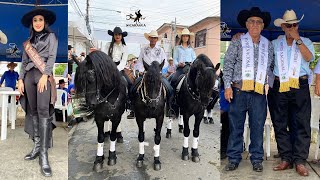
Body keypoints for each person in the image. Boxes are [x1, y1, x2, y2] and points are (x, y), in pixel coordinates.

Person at [223, 7, 273, 172]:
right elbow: (228, 65)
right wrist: (227, 86)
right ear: (246, 24)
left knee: (257, 127)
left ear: (263, 25)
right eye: (252, 21)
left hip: (258, 93)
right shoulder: (237, 41)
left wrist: (270, 85)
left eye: (258, 22)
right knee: (236, 126)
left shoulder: (268, 45)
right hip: (238, 90)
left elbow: (271, 68)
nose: (255, 24)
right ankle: (234, 157)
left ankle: (257, 158)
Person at [270, 10, 315, 177]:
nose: (291, 28)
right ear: (283, 26)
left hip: (300, 85)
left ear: (298, 25)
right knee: (280, 122)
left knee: (302, 122)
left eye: (294, 25)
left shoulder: (307, 41)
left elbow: (309, 58)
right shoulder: (275, 44)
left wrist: (297, 39)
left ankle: (300, 161)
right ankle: (286, 158)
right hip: (279, 85)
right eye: (288, 25)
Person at [18, 7, 58, 177]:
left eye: (40, 19)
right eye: (35, 20)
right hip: (28, 77)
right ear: (32, 24)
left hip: (43, 77)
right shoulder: (28, 42)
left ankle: (44, 154)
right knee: (33, 111)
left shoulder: (51, 37)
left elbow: (52, 57)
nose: (38, 23)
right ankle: (36, 146)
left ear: (45, 22)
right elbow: (24, 61)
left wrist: (46, 74)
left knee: (43, 111)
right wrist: (20, 78)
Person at [134, 30, 173, 116]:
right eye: (151, 37)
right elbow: (140, 61)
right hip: (146, 73)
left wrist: (162, 71)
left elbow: (165, 62)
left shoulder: (161, 50)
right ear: (149, 38)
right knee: (134, 88)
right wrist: (140, 70)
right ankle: (133, 109)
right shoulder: (144, 49)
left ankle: (170, 108)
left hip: (158, 74)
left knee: (170, 89)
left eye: (155, 38)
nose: (153, 39)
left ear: (156, 39)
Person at [103, 26, 129, 142]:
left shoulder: (124, 47)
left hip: (119, 70)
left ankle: (129, 102)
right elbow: (104, 58)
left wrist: (116, 70)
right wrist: (110, 69)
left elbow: (123, 61)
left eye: (119, 34)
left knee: (128, 83)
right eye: (116, 34)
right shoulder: (107, 46)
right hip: (108, 69)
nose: (117, 36)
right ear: (113, 35)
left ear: (122, 36)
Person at [170, 28, 196, 131]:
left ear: (189, 38)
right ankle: (172, 103)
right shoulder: (177, 48)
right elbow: (175, 60)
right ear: (182, 37)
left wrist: (192, 63)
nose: (185, 37)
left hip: (189, 68)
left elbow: (194, 59)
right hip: (181, 69)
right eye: (184, 36)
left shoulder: (191, 49)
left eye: (187, 36)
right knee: (173, 80)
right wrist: (178, 64)